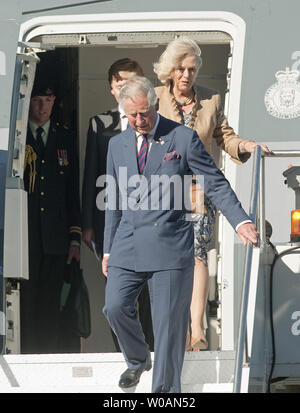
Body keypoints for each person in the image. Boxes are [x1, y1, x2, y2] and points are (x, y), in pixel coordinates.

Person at [101, 76, 258, 393]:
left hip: (170, 245)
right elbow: (114, 202)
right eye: (132, 115)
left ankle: (164, 393)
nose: (139, 121)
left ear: (155, 106)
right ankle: (137, 359)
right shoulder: (116, 145)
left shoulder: (182, 138)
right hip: (127, 243)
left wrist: (240, 221)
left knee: (169, 328)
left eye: (144, 113)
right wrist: (107, 249)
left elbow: (214, 182)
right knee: (115, 307)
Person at [153, 37, 271, 351]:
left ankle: (197, 329)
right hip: (162, 192)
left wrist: (246, 146)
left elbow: (225, 137)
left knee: (196, 252)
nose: (186, 75)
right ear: (170, 70)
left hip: (198, 189)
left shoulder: (211, 100)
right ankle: (173, 328)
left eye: (192, 69)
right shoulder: (154, 99)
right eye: (180, 68)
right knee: (167, 260)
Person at [82, 58, 154, 351]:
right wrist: (86, 223)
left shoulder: (152, 122)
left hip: (149, 222)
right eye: (121, 82)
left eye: (133, 80)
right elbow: (91, 175)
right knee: (117, 294)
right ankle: (123, 353)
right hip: (109, 221)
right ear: (112, 88)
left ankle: (149, 348)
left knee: (148, 291)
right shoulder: (101, 124)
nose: (126, 86)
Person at [21, 76, 81, 354]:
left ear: (54, 102)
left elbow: (71, 192)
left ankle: (48, 357)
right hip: (26, 237)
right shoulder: (19, 137)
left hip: (57, 239)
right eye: (37, 100)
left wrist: (75, 239)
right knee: (25, 302)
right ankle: (27, 357)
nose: (42, 107)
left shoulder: (65, 137)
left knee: (52, 303)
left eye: (48, 101)